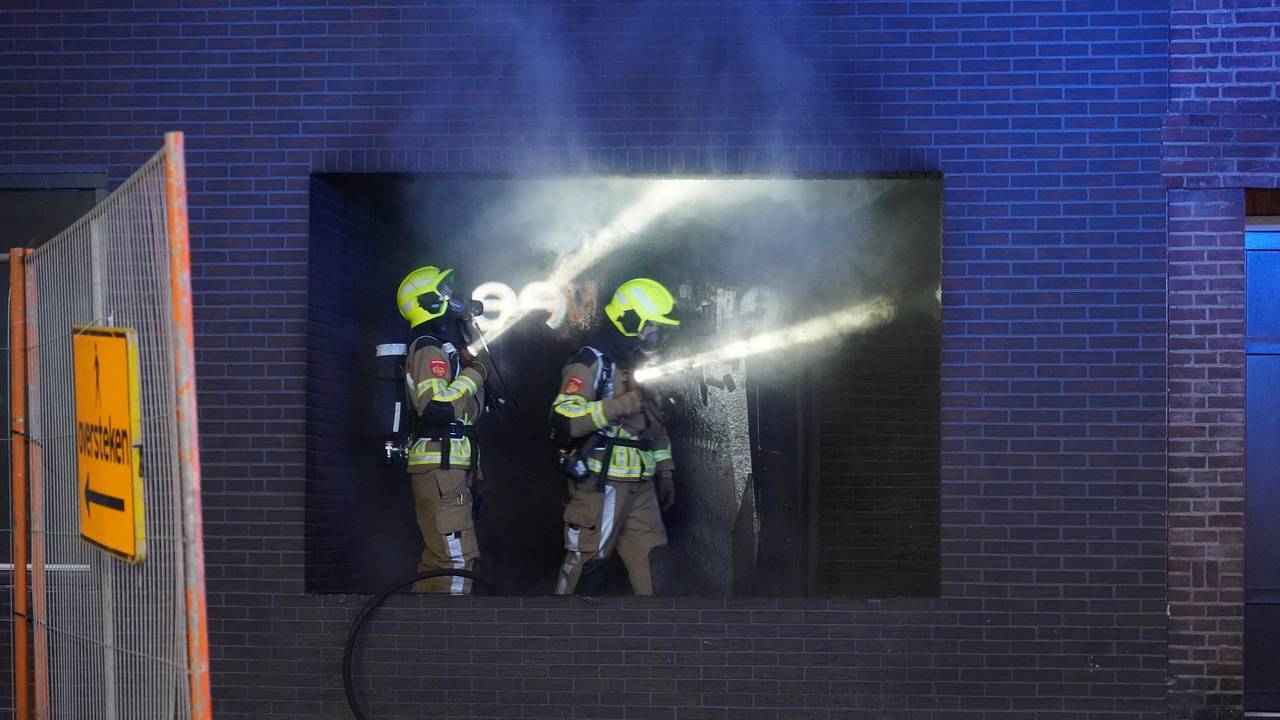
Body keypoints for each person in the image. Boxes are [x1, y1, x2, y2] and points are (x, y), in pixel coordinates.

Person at [550, 278, 679, 595]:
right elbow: (563, 419)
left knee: (654, 566)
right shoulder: (591, 361)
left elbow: (655, 425)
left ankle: (656, 641)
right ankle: (564, 637)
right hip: (600, 484)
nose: (654, 334)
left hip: (640, 486)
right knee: (586, 565)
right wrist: (617, 405)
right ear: (630, 318)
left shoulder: (639, 366)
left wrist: (665, 471)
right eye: (650, 326)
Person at [397, 265, 488, 594]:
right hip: (440, 471)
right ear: (428, 301)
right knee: (456, 563)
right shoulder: (428, 348)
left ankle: (420, 636)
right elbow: (437, 408)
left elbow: (468, 411)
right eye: (445, 292)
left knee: (439, 562)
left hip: (447, 470)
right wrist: (474, 374)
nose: (453, 298)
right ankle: (450, 641)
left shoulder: (444, 348)